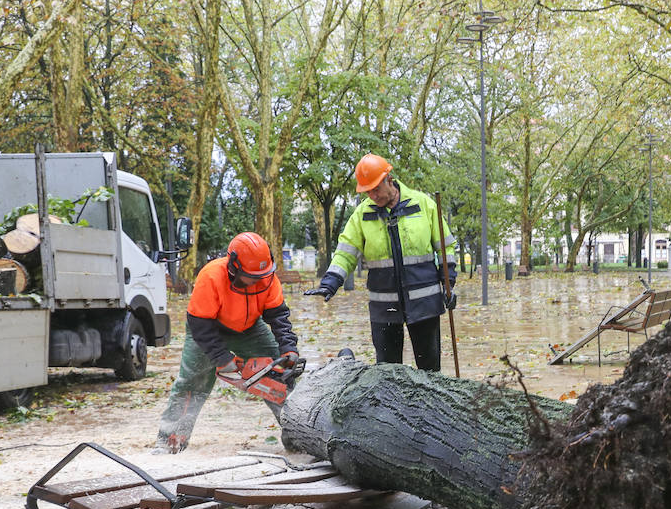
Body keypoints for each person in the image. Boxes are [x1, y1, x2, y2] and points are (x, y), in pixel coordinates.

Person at [154, 232, 300, 454]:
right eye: (251, 276)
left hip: (250, 327)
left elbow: (278, 316)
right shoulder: (211, 276)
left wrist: (288, 347)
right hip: (208, 328)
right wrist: (222, 358)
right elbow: (199, 324)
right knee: (192, 382)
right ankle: (170, 441)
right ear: (234, 266)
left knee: (280, 376)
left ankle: (299, 438)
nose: (257, 281)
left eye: (261, 276)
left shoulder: (267, 277)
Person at [307, 154, 456, 371]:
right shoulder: (362, 215)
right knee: (386, 374)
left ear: (389, 179)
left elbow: (445, 247)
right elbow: (346, 252)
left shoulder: (423, 204)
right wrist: (330, 282)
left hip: (425, 304)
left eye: (376, 188)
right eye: (367, 191)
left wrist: (449, 284)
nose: (372, 195)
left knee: (430, 371)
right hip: (384, 307)